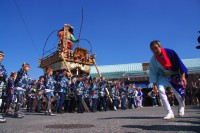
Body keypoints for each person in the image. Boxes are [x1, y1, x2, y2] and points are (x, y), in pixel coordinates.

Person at [149, 40, 188, 119]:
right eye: (152, 49)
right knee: (161, 90)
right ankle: (169, 112)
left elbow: (180, 63)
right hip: (163, 76)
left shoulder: (170, 52)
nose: (154, 51)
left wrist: (183, 76)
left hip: (175, 74)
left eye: (156, 48)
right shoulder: (153, 60)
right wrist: (154, 85)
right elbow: (153, 72)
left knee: (178, 94)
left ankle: (181, 106)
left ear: (160, 47)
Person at [0, 51, 7, 123]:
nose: (2, 57)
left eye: (2, 56)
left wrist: (2, 75)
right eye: (0, 55)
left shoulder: (2, 66)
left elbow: (5, 74)